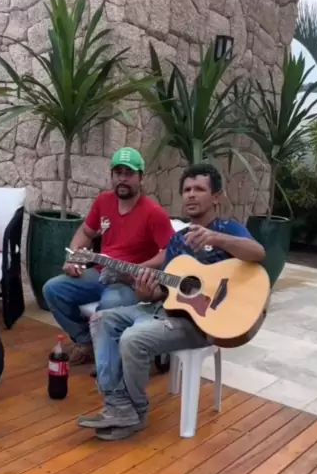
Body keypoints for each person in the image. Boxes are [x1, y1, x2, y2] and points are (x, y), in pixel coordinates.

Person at [78, 162, 266, 440]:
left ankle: (136, 411)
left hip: (200, 324)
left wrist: (217, 238)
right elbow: (167, 290)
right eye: (187, 190)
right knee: (101, 319)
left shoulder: (228, 228)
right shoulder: (177, 241)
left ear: (216, 197)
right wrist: (146, 292)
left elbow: (258, 253)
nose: (191, 195)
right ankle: (118, 405)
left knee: (133, 339)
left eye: (199, 189)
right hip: (166, 312)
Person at [42, 147, 174, 366]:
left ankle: (107, 360)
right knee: (53, 289)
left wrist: (139, 268)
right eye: (118, 173)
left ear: (141, 178)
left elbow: (170, 251)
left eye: (129, 173)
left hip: (129, 283)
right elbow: (86, 232)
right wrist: (73, 258)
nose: (122, 179)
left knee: (109, 305)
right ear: (112, 175)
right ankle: (86, 342)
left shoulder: (154, 213)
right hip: (100, 274)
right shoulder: (104, 201)